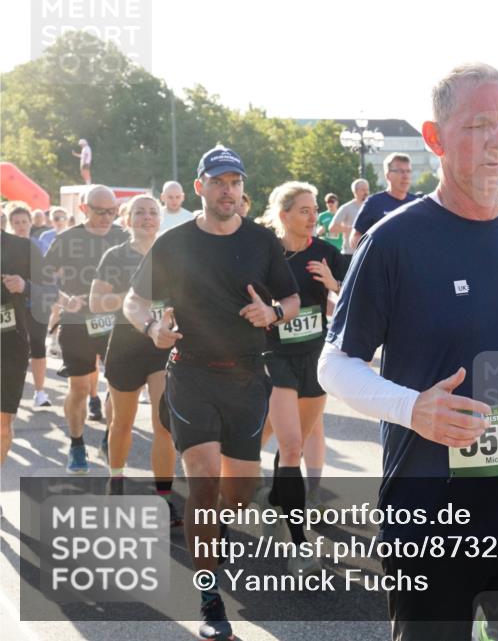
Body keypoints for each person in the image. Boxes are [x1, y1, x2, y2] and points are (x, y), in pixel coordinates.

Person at [318, 62, 498, 641]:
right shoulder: (394, 239)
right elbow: (334, 363)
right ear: (435, 137)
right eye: (479, 124)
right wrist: (415, 408)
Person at [124, 145, 300, 641]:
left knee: (240, 493)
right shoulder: (174, 243)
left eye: (236, 183)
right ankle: (208, 595)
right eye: (219, 182)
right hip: (191, 373)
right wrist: (153, 327)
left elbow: (289, 298)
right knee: (201, 477)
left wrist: (275, 314)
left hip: (246, 376)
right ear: (200, 187)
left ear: (244, 190)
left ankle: (212, 529)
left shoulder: (262, 241)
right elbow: (135, 302)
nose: (229, 191)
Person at [256, 181, 346, 575]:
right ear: (284, 214)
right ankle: (298, 542)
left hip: (313, 359)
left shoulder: (326, 253)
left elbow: (361, 299)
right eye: (305, 210)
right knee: (291, 446)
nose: (313, 217)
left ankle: (277, 494)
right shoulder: (265, 254)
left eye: (314, 209)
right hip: (275, 357)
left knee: (292, 442)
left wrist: (333, 285)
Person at [90, 195, 180, 521]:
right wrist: (131, 302)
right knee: (122, 423)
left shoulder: (171, 254)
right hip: (125, 348)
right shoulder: (115, 256)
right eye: (139, 212)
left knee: (163, 426)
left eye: (152, 212)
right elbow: (96, 302)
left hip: (160, 349)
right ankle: (116, 480)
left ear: (160, 219)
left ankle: (164, 497)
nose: (146, 217)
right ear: (127, 220)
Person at [43, 185, 128, 472]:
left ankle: (109, 437)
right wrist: (64, 298)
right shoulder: (67, 239)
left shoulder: (124, 237)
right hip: (77, 322)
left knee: (117, 387)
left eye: (112, 211)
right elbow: (43, 278)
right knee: (79, 388)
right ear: (83, 209)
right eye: (99, 211)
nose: (106, 217)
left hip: (116, 322)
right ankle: (77, 444)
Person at [6, 204, 53, 408]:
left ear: (31, 223)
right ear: (10, 225)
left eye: (24, 222)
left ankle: (40, 392)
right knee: (11, 349)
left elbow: (49, 277)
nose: (21, 226)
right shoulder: (5, 246)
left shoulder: (40, 246)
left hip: (36, 304)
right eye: (16, 223)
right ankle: (10, 394)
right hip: (11, 306)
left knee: (37, 347)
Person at [1, 228, 42, 463]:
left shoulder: (22, 247)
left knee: (3, 428)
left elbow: (49, 290)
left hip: (9, 348)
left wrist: (25, 286)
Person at [348, 153, 418, 250]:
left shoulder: (417, 203)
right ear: (388, 175)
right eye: (400, 171)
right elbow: (354, 238)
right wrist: (376, 252)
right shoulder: (374, 203)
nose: (405, 176)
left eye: (408, 171)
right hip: (383, 264)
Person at [329, 179, 369, 261]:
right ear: (355, 191)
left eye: (367, 189)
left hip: (367, 252)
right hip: (350, 254)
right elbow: (332, 228)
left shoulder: (371, 207)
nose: (366, 192)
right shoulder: (346, 208)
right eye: (363, 190)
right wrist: (353, 229)